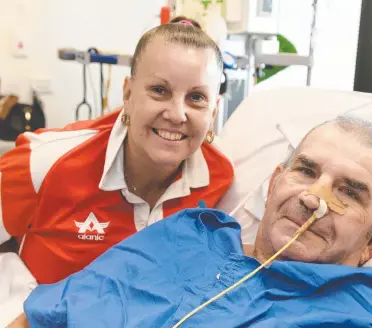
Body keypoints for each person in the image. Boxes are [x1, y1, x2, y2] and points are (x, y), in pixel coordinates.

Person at [9, 116, 372, 327]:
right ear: (274, 185)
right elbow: (44, 316)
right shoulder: (188, 235)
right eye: (306, 171)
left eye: (349, 192)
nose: (314, 198)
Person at [0, 16, 234, 285]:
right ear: (128, 93)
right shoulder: (44, 163)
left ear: (213, 110)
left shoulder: (221, 177)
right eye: (159, 90)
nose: (177, 114)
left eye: (196, 98)